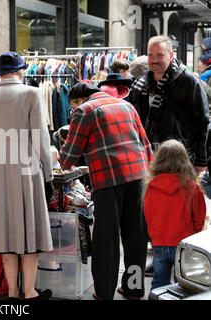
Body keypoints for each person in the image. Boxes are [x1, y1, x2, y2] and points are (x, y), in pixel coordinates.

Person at [59, 82, 153, 300]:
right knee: (135, 237)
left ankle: (103, 292)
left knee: (106, 239)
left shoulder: (85, 110)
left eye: (72, 105)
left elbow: (70, 156)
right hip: (138, 175)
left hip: (108, 178)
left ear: (79, 100)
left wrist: (61, 159)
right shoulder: (126, 106)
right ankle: (134, 289)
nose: (73, 109)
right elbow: (145, 144)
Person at [0, 51, 54, 300]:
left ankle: (12, 291)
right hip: (27, 170)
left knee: (5, 234)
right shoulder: (32, 94)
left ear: (0, 73)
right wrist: (48, 173)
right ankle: (30, 292)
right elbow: (41, 137)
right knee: (29, 234)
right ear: (20, 71)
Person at [128, 35, 210, 173]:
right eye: (150, 55)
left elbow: (202, 122)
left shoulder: (189, 82)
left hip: (179, 157)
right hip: (146, 155)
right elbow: (132, 119)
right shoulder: (140, 84)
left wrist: (201, 160)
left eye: (160, 55)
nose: (154, 60)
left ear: (171, 55)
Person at [143, 139, 206, 290]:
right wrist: (193, 236)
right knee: (184, 286)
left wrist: (154, 235)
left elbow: (148, 214)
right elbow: (199, 217)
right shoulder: (191, 188)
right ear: (184, 160)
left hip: (160, 243)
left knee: (159, 282)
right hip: (184, 244)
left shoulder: (151, 187)